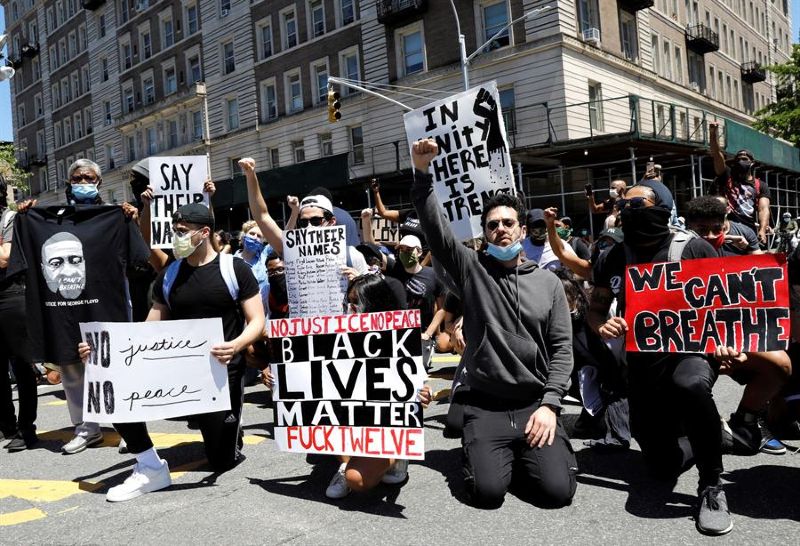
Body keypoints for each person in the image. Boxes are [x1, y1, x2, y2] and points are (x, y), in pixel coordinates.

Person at [411, 138, 577, 509]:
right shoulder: (472, 269)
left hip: (534, 403)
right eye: (492, 225)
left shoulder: (549, 282)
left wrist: (550, 406)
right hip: (485, 405)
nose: (500, 229)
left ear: (520, 230)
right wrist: (422, 173)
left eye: (508, 223)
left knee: (557, 492)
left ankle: (526, 457)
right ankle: (488, 455)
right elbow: (435, 228)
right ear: (485, 233)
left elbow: (563, 350)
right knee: (487, 494)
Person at [78, 203, 265, 502]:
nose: (176, 237)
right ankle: (149, 464)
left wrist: (236, 345)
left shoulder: (234, 270)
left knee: (222, 460)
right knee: (113, 385)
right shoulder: (170, 274)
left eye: (181, 232)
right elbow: (149, 327)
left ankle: (230, 428)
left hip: (220, 376)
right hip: (177, 373)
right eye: (174, 231)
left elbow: (257, 320)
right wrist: (105, 351)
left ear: (204, 233)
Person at [589, 181, 733, 535]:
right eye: (626, 204)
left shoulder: (694, 248)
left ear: (664, 206)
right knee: (659, 465)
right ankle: (707, 435)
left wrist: (727, 341)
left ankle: (712, 485)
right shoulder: (613, 255)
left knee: (690, 385)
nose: (631, 209)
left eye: (642, 203)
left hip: (690, 352)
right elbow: (593, 308)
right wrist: (603, 323)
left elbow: (727, 307)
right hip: (641, 361)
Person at [685, 195, 791, 455]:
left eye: (716, 229)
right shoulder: (677, 249)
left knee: (781, 365)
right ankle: (698, 424)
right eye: (700, 230)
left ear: (726, 224)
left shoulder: (739, 241)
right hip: (690, 340)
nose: (709, 236)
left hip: (734, 336)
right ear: (688, 226)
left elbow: (766, 276)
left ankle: (746, 420)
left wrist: (750, 252)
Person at [324, 274, 432, 499]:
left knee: (358, 481)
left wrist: (423, 393)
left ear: (374, 306)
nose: (351, 309)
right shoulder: (337, 337)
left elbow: (417, 383)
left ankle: (397, 455)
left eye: (357, 303)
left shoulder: (399, 338)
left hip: (386, 425)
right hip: (354, 418)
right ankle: (346, 465)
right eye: (349, 302)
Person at [239, 157, 368, 279]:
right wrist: (251, 175)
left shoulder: (352, 256)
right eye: (303, 222)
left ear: (331, 221)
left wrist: (358, 282)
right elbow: (262, 216)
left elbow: (369, 297)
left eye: (316, 221)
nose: (309, 227)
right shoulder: (293, 251)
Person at [0, 175, 38, 451]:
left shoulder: (9, 220)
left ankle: (26, 429)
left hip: (10, 294)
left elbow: (5, 257)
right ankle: (7, 426)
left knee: (21, 364)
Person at [708, 122, 771, 244]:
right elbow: (717, 155)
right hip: (727, 229)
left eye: (744, 159)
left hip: (749, 231)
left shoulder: (760, 185)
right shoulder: (727, 176)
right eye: (738, 159)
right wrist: (713, 134)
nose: (741, 161)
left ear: (752, 163)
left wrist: (762, 230)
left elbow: (763, 209)